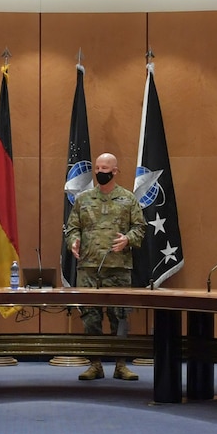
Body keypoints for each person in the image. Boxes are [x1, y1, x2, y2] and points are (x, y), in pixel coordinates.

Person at [65, 152, 148, 382]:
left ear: (115, 171)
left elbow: (140, 228)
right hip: (88, 268)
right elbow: (72, 228)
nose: (101, 172)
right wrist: (73, 241)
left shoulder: (128, 199)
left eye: (105, 169)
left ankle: (121, 365)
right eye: (98, 168)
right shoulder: (83, 199)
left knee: (119, 318)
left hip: (118, 268)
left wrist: (128, 239)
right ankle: (95, 364)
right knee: (90, 317)